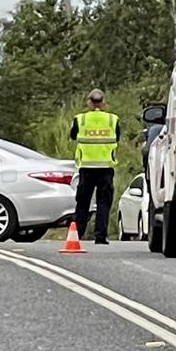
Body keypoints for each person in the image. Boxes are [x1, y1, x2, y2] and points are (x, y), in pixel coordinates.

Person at [70, 89, 120, 245]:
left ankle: (77, 233)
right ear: (103, 102)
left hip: (86, 167)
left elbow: (73, 136)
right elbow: (117, 137)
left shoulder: (81, 119)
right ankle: (100, 236)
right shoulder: (113, 119)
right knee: (104, 203)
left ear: (89, 102)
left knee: (83, 202)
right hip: (105, 167)